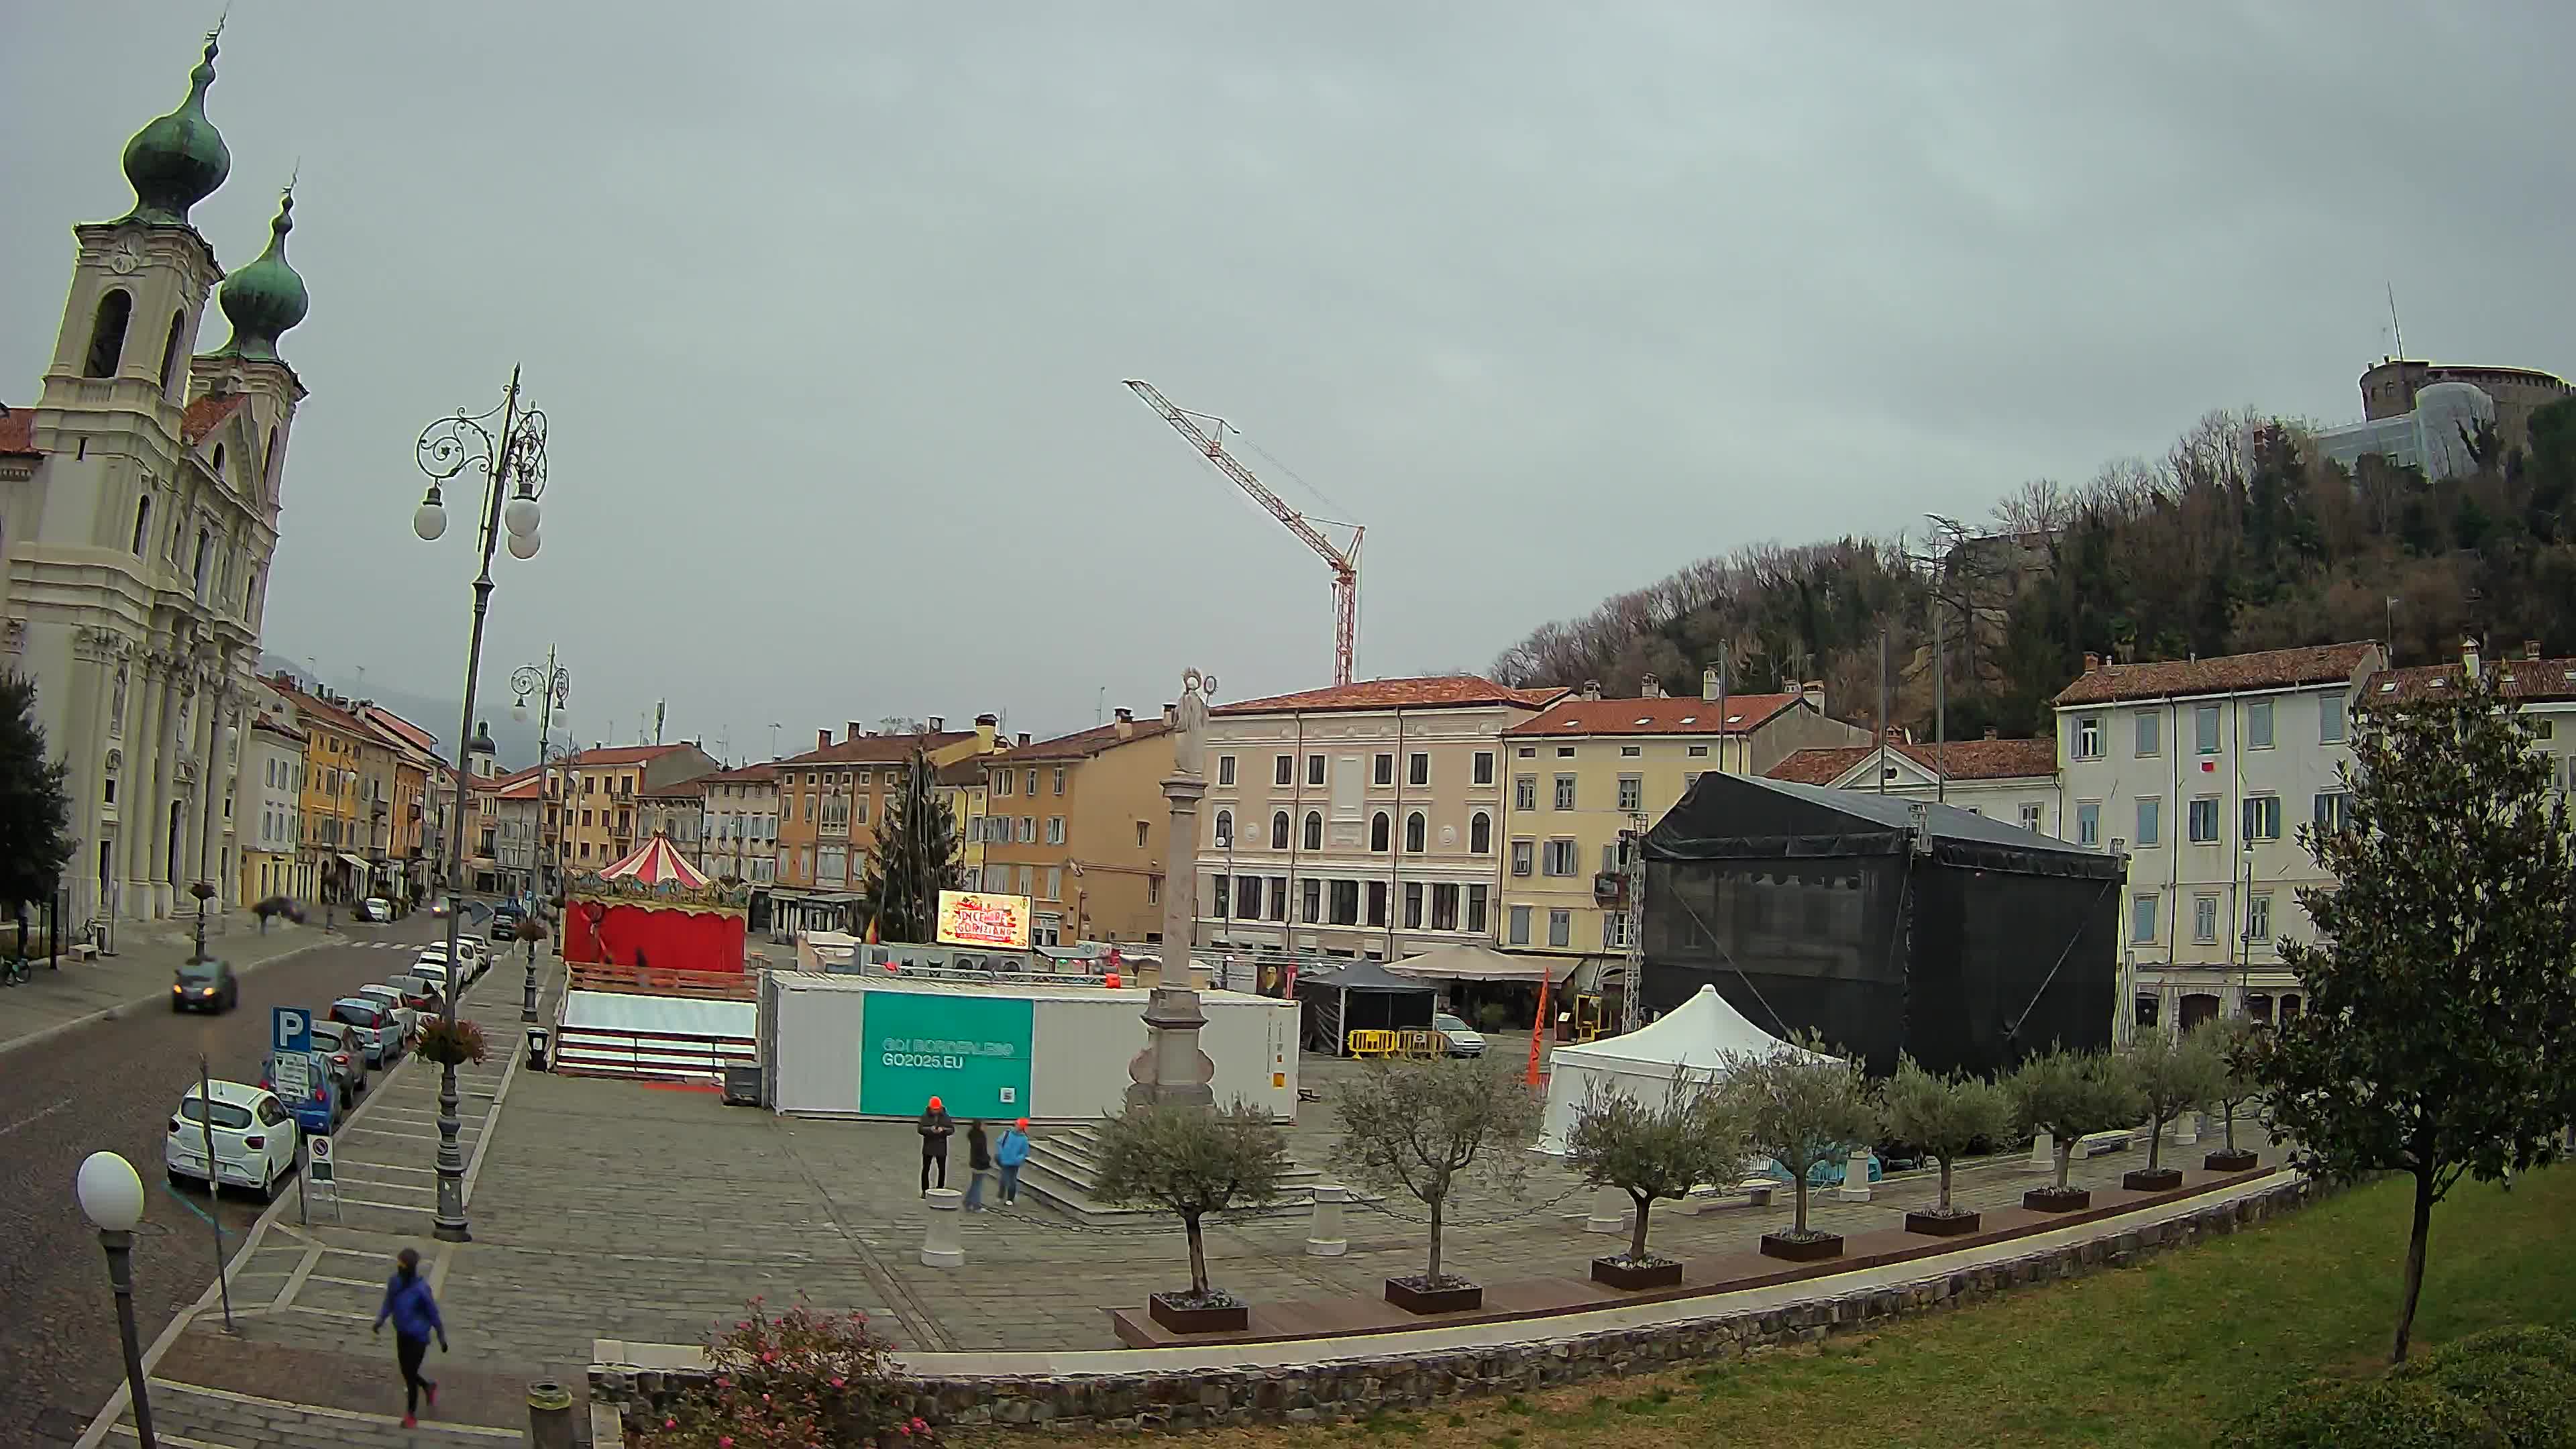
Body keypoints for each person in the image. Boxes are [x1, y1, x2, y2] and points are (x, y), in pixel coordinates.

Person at [371, 1246, 447, 1428]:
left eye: (402, 1265)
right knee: (407, 1373)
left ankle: (410, 1415)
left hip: (418, 1338)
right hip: (402, 1335)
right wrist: (380, 1320)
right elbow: (389, 1302)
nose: (399, 1268)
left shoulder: (421, 1290)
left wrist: (441, 1336)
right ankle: (428, 1386)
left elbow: (433, 1314)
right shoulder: (395, 1283)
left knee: (410, 1376)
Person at [918, 1097, 953, 1194]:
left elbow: (952, 1130)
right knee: (926, 1169)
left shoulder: (946, 1117)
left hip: (941, 1147)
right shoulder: (925, 1117)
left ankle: (940, 1189)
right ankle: (925, 1190)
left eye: (937, 1109)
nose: (936, 1111)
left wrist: (944, 1130)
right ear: (930, 1107)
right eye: (934, 1109)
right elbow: (920, 1129)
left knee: (942, 1170)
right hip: (928, 1146)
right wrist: (930, 1130)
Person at [995, 1117, 1032, 1205]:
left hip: (1014, 1164)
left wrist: (1017, 1159)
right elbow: (999, 1142)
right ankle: (1000, 1195)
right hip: (1004, 1161)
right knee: (1003, 1180)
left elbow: (1025, 1153)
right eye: (1016, 1124)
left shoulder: (1024, 1139)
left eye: (1018, 1124)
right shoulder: (1007, 1133)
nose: (1016, 1125)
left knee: (1012, 1181)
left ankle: (1010, 1199)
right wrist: (1001, 1153)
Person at [962, 1120, 992, 1211]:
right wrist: (987, 1160)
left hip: (974, 1163)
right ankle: (976, 1206)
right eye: (983, 1125)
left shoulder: (973, 1135)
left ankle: (968, 1202)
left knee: (975, 1183)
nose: (985, 1127)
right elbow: (982, 1152)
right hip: (980, 1164)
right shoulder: (980, 1137)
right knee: (978, 1185)